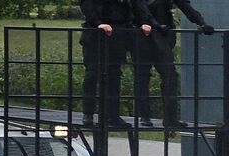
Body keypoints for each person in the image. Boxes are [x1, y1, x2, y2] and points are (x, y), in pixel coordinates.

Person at [132, 0, 213, 131]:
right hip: (142, 34)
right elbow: (139, 6)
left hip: (161, 35)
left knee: (170, 75)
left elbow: (184, 6)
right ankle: (144, 116)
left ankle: (170, 118)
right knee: (142, 76)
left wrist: (201, 22)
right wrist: (152, 23)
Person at [80, 0, 152, 129]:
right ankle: (88, 114)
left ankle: (112, 115)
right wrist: (98, 23)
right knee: (92, 74)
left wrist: (144, 22)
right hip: (95, 34)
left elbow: (137, 5)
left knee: (114, 76)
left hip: (118, 34)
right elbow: (87, 4)